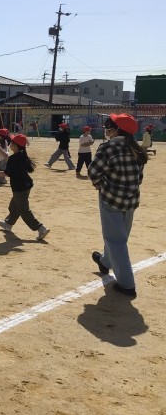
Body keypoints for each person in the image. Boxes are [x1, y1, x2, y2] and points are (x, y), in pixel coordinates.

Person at [89, 114, 147, 298]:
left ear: (116, 130)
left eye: (109, 127)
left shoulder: (107, 147)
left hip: (110, 199)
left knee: (115, 240)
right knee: (118, 236)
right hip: (131, 201)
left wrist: (99, 184)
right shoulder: (137, 149)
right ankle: (105, 262)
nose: (107, 130)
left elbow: (93, 172)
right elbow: (139, 178)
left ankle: (127, 285)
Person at [0, 133, 50, 241]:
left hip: (19, 187)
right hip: (26, 185)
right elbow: (8, 159)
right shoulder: (22, 155)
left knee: (23, 210)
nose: (10, 144)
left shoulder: (14, 158)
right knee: (13, 206)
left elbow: (7, 173)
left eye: (12, 143)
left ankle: (41, 228)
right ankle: (8, 224)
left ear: (16, 146)